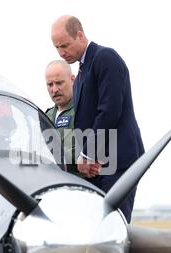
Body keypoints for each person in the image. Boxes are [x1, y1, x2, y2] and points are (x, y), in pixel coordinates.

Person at [51, 15, 145, 223]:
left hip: (119, 160)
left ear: (80, 35)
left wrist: (87, 153)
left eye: (64, 45)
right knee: (95, 226)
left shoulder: (105, 58)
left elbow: (109, 111)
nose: (61, 52)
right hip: (99, 165)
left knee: (112, 227)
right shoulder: (82, 72)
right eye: (57, 47)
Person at [44, 60, 85, 177]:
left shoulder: (84, 111)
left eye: (59, 83)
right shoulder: (46, 116)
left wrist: (49, 152)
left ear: (73, 80)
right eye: (50, 84)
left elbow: (87, 153)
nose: (54, 90)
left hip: (79, 185)